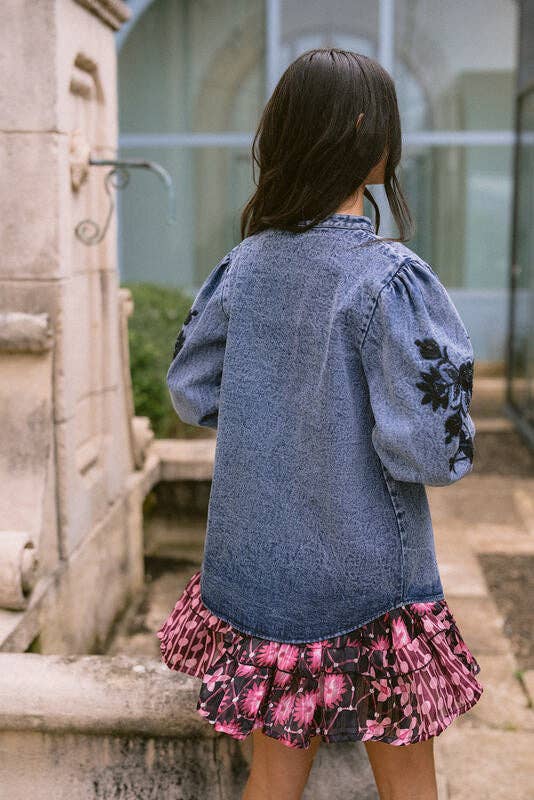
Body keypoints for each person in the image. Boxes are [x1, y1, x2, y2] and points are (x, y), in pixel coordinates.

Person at [157, 48, 483, 800]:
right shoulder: (389, 276)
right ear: (370, 137)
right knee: (409, 786)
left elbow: (191, 391)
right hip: (370, 582)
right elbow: (431, 450)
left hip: (258, 573)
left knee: (272, 781)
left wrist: (272, 414)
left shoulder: (245, 264)